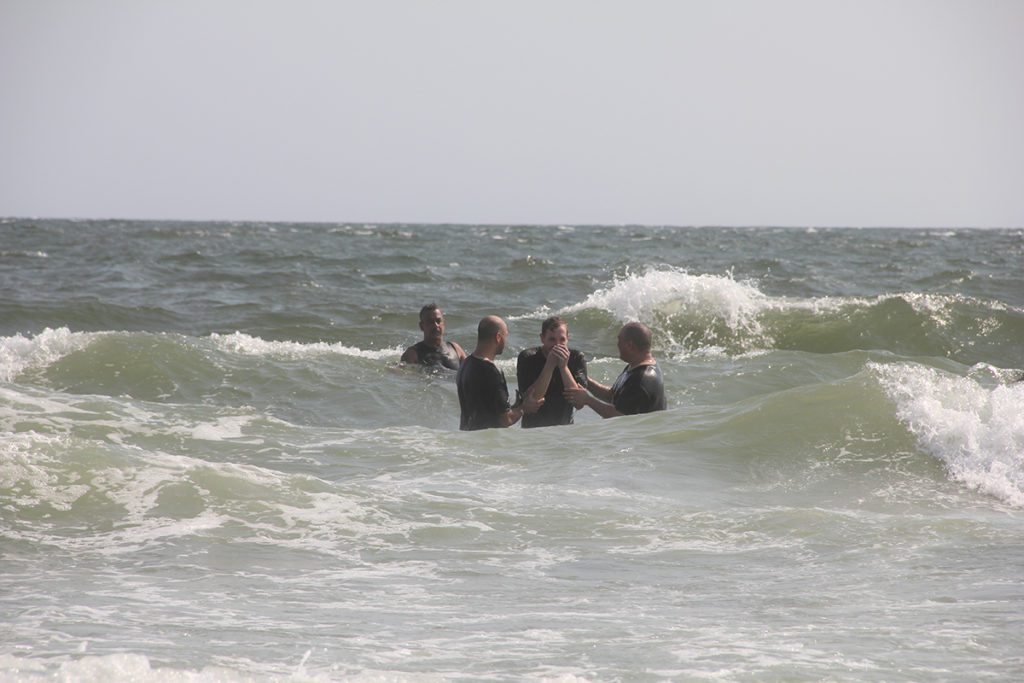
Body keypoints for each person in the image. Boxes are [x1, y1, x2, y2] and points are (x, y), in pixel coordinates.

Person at [456, 315, 542, 430]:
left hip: (468, 437)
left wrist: (517, 405)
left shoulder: (465, 365)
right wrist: (524, 408)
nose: (505, 341)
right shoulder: (490, 371)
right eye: (505, 336)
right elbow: (506, 419)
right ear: (498, 337)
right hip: (486, 442)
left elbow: (484, 408)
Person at [565, 322, 666, 418]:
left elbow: (620, 416)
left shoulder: (642, 379)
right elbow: (613, 396)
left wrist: (588, 400)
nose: (617, 345)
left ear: (630, 346)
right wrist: (584, 379)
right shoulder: (635, 366)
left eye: (619, 340)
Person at [516, 316, 588, 428]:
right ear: (542, 338)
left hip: (565, 429)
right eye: (552, 339)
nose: (557, 345)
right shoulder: (528, 357)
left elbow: (578, 403)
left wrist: (563, 368)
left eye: (562, 339)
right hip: (533, 430)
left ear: (568, 338)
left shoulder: (576, 358)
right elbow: (534, 400)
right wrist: (549, 365)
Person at [401, 303, 466, 370]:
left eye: (438, 321)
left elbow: (470, 370)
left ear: (443, 323)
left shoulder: (455, 349)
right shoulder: (413, 354)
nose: (436, 325)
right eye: (430, 322)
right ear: (421, 326)